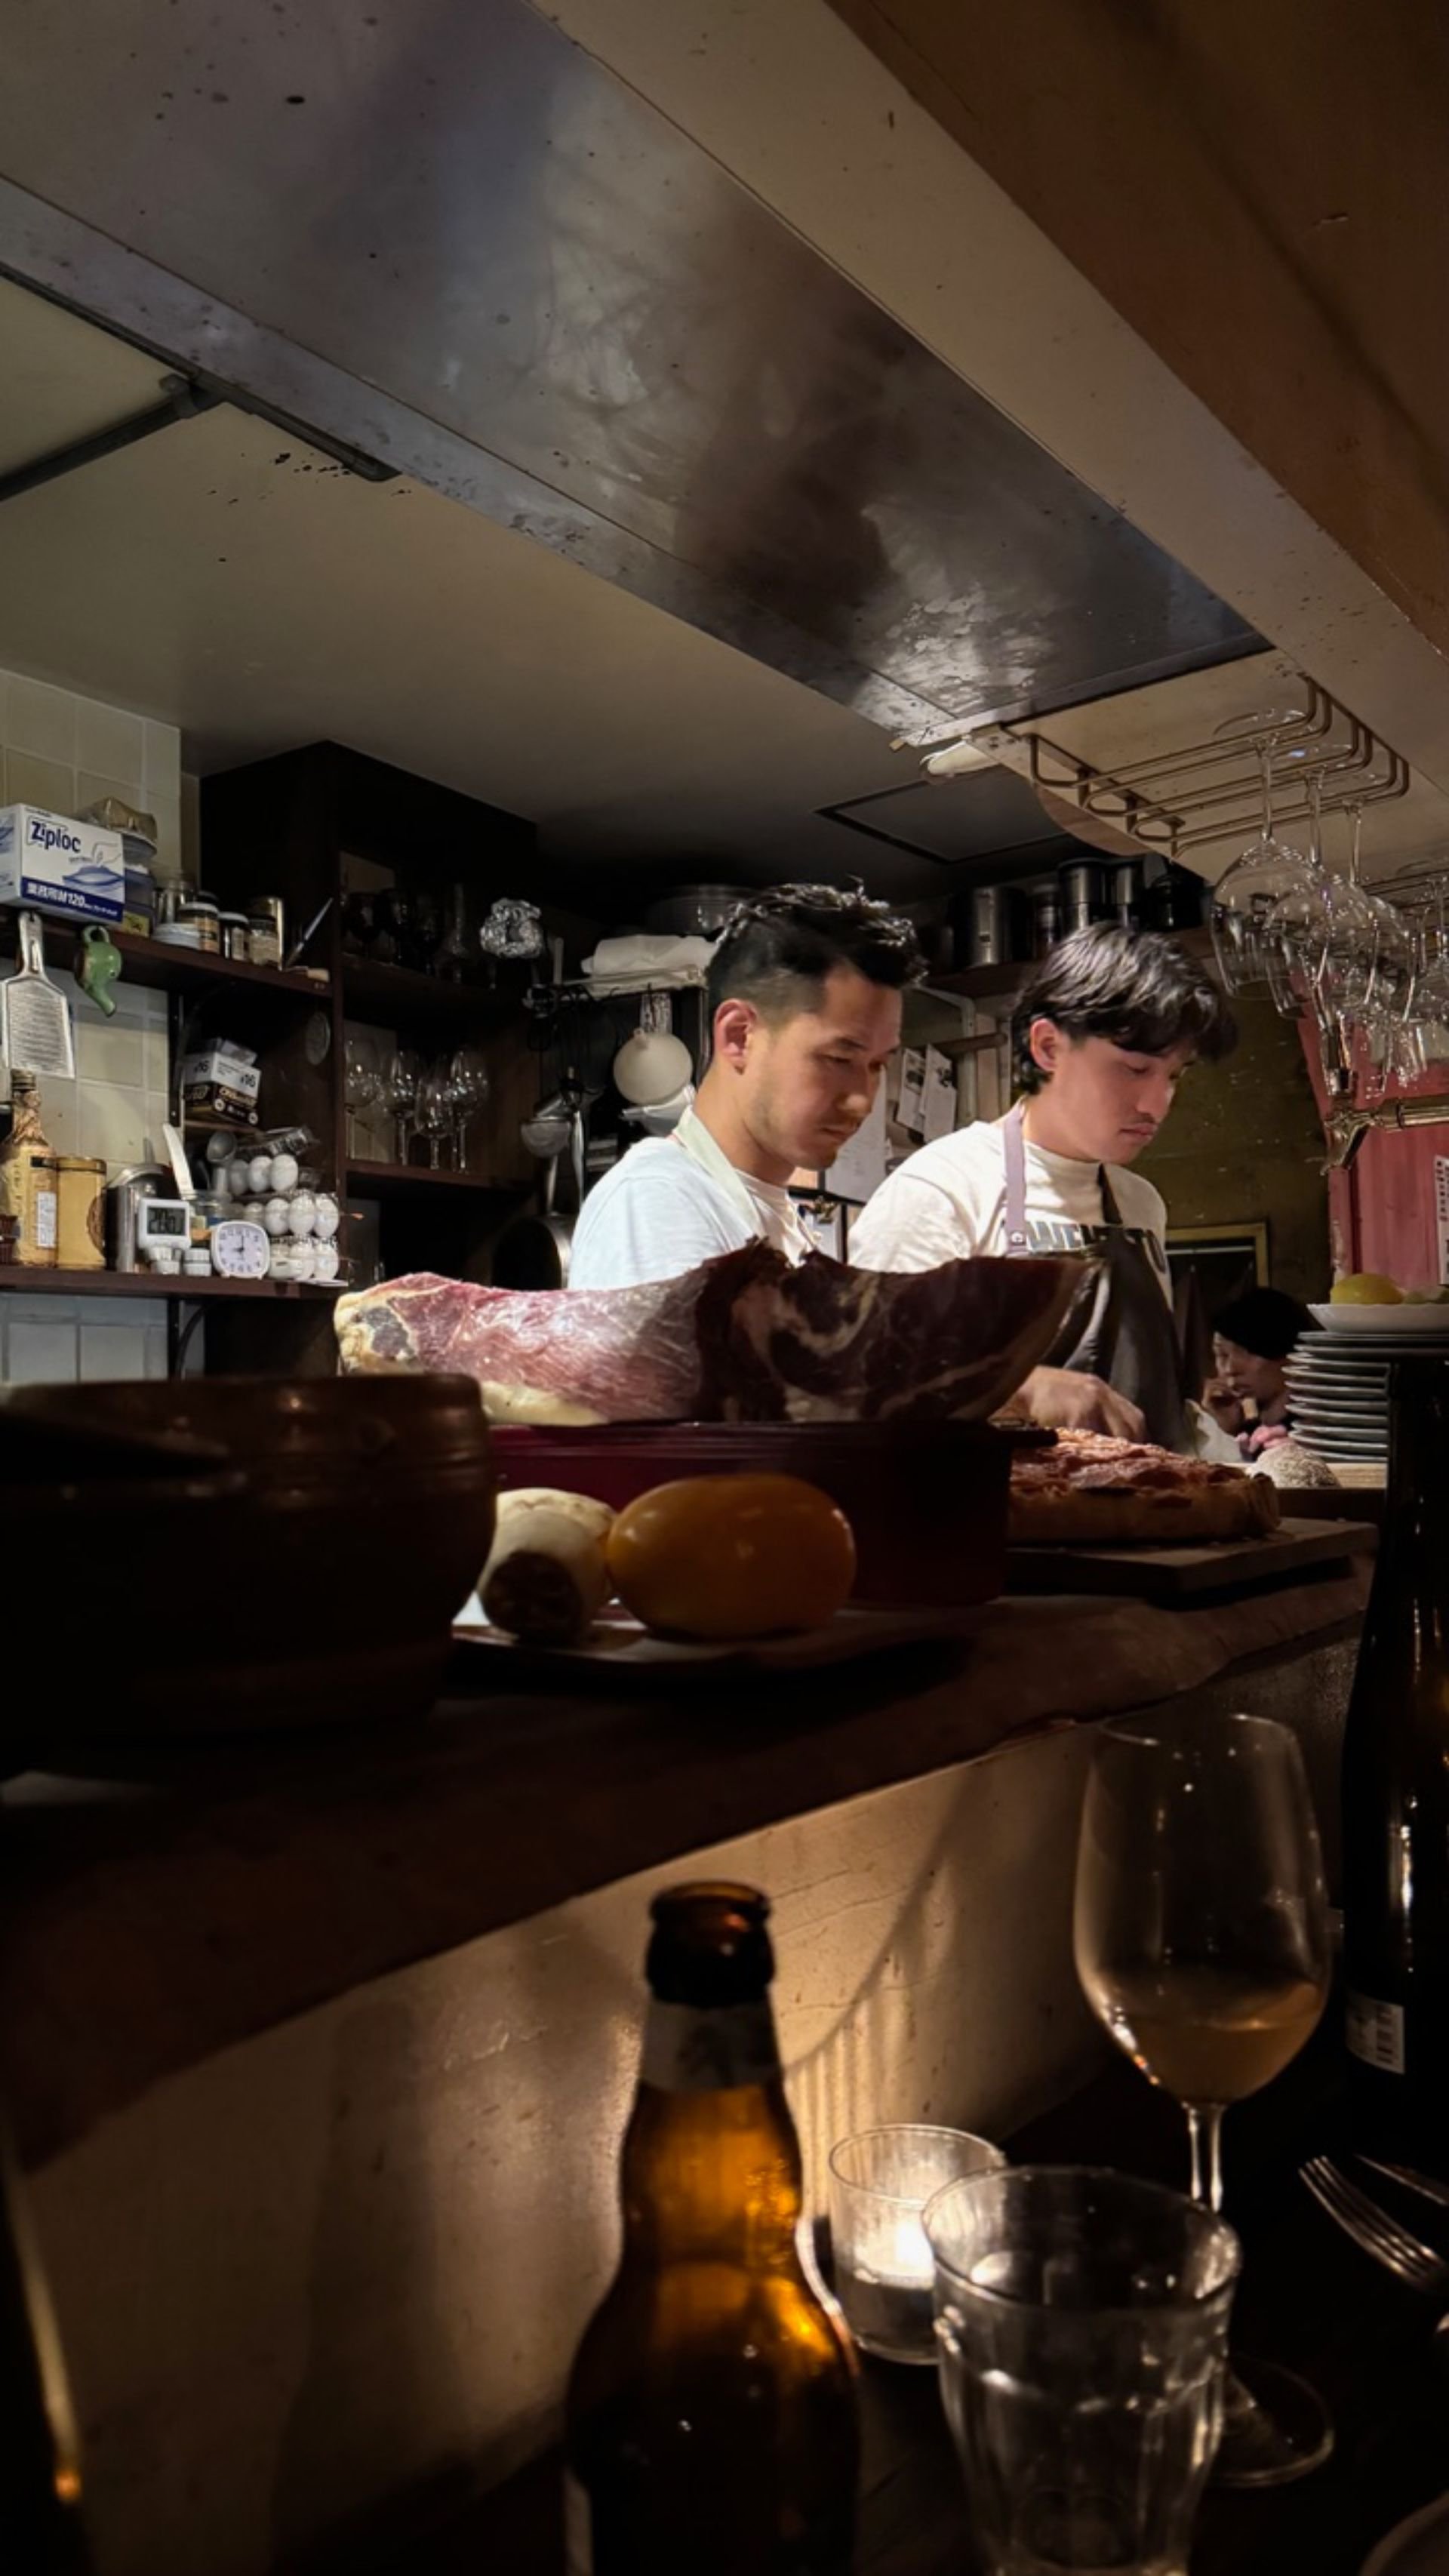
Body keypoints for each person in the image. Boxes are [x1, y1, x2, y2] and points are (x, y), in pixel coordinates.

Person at [850, 924, 1237, 1449]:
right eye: (1134, 1068)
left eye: (1175, 1076)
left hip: (1150, 1510)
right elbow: (871, 1383)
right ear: (1048, 1046)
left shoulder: (1141, 1204)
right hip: (1001, 1522)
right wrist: (1023, 1389)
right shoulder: (942, 1190)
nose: (1157, 1104)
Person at [568, 885, 924, 1290]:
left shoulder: (783, 1224)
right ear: (739, 1036)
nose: (862, 1101)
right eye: (838, 1059)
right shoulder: (659, 1201)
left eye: (877, 1064)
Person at [1204, 1286, 1315, 1460]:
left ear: (1290, 1355)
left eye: (1248, 1353)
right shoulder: (1250, 1431)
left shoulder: (1309, 1437)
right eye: (1222, 1355)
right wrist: (1227, 1430)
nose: (1230, 1369)